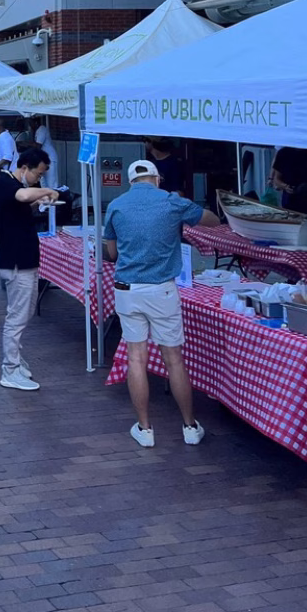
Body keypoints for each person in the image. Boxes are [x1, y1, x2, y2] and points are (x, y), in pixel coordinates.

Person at [103, 158, 220, 447]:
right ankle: (189, 427)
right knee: (174, 360)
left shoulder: (116, 205)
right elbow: (211, 219)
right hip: (162, 289)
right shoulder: (171, 201)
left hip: (127, 289)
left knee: (136, 358)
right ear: (157, 179)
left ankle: (145, 429)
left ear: (131, 181)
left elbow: (112, 254)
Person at [0, 149, 61, 391]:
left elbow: (19, 205)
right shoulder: (7, 183)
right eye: (38, 174)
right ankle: (10, 368)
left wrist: (37, 202)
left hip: (25, 260)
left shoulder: (14, 186)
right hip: (16, 262)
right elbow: (21, 196)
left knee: (24, 312)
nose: (38, 179)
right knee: (17, 317)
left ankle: (15, 360)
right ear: (25, 168)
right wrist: (47, 191)